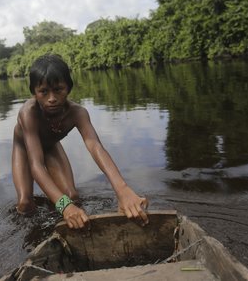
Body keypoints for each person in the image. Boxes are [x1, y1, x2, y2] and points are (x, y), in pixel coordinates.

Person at [11, 54, 149, 229]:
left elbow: (95, 146)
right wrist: (65, 207)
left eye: (58, 89)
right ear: (34, 92)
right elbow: (36, 165)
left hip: (51, 147)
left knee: (72, 196)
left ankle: (61, 218)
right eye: (44, 92)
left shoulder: (78, 113)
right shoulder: (28, 113)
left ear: (68, 88)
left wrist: (122, 190)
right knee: (25, 203)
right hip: (25, 149)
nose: (51, 98)